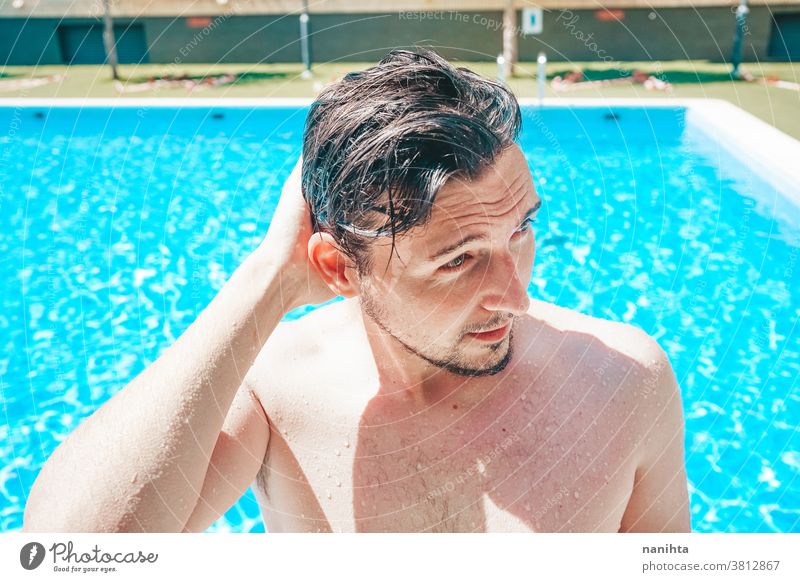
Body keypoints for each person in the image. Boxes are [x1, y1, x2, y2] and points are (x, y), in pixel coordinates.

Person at [23, 48, 690, 533]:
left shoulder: (624, 378)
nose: (515, 296)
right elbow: (62, 555)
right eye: (458, 262)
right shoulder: (278, 390)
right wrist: (268, 279)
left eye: (521, 232)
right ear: (340, 270)